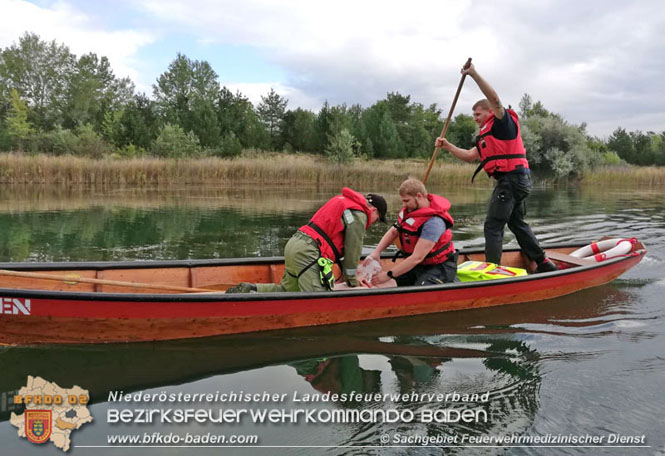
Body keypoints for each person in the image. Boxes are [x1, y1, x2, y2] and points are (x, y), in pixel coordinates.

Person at [435, 63, 557, 273]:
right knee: (516, 223)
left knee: (492, 225)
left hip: (512, 180)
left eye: (478, 114)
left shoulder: (502, 123)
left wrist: (473, 74)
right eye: (473, 115)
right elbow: (469, 156)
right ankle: (544, 262)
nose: (475, 119)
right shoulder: (486, 135)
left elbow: (494, 97)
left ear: (490, 112)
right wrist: (447, 146)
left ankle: (492, 271)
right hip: (515, 181)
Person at [227, 188, 387, 293]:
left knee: (287, 291)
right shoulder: (360, 215)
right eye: (377, 219)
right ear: (373, 210)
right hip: (308, 252)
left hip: (295, 243)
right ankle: (246, 302)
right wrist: (352, 281)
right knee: (317, 298)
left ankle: (251, 290)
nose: (372, 224)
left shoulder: (343, 202)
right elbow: (353, 250)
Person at [366, 178, 457, 287]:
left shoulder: (434, 222)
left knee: (419, 288)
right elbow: (394, 231)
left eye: (406, 201)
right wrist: (377, 252)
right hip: (416, 266)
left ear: (419, 196)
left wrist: (388, 274)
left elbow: (417, 257)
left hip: (439, 267)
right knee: (382, 284)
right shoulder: (409, 212)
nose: (404, 205)